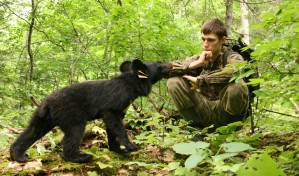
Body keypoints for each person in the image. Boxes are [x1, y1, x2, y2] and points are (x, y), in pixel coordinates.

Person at [167, 19, 250, 129]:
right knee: (173, 82)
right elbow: (167, 70)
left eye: (210, 40)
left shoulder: (233, 57)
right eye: (203, 39)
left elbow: (234, 72)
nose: (205, 44)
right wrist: (196, 64)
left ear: (222, 40)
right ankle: (197, 128)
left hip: (226, 110)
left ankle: (227, 131)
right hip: (204, 107)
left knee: (237, 85)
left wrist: (201, 80)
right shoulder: (200, 57)